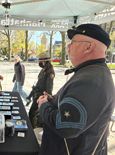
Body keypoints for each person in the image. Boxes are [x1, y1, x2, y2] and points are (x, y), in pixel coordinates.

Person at [37, 24, 115, 155]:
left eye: (73, 42)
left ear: (89, 47)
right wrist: (54, 101)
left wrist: (44, 106)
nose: (68, 45)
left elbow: (66, 126)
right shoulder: (91, 72)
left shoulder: (90, 81)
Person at [28, 52, 55, 128]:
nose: (39, 63)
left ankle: (32, 130)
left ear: (45, 61)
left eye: (40, 61)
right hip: (36, 95)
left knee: (32, 114)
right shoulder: (43, 70)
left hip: (41, 97)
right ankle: (33, 127)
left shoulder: (50, 72)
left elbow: (49, 87)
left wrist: (46, 99)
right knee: (33, 114)